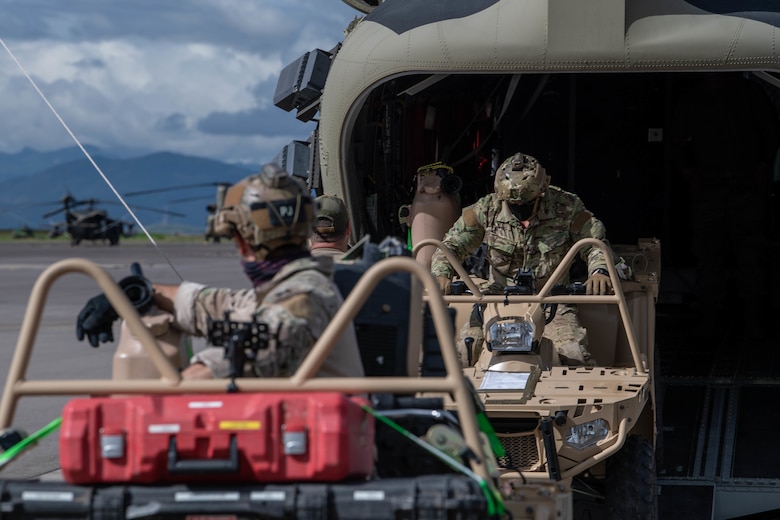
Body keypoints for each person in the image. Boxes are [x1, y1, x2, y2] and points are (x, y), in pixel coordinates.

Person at [75, 163, 365, 380]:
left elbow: (238, 360)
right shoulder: (293, 287)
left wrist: (159, 393)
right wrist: (135, 292)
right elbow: (220, 304)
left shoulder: (304, 298)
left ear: (241, 240)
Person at [430, 152, 613, 365]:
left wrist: (599, 271)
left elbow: (594, 243)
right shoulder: (486, 209)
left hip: (552, 301)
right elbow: (452, 245)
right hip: (494, 300)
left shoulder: (567, 208)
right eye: (512, 204)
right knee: (464, 352)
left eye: (527, 203)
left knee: (573, 354)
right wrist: (441, 273)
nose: (520, 210)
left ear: (543, 191)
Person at [670, 73, 779, 342]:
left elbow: (771, 131)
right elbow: (676, 141)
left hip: (745, 187)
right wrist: (690, 175)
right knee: (709, 257)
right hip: (710, 187)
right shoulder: (694, 98)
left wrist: (764, 165)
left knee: (751, 256)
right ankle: (710, 322)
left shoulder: (749, 92)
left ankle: (753, 323)